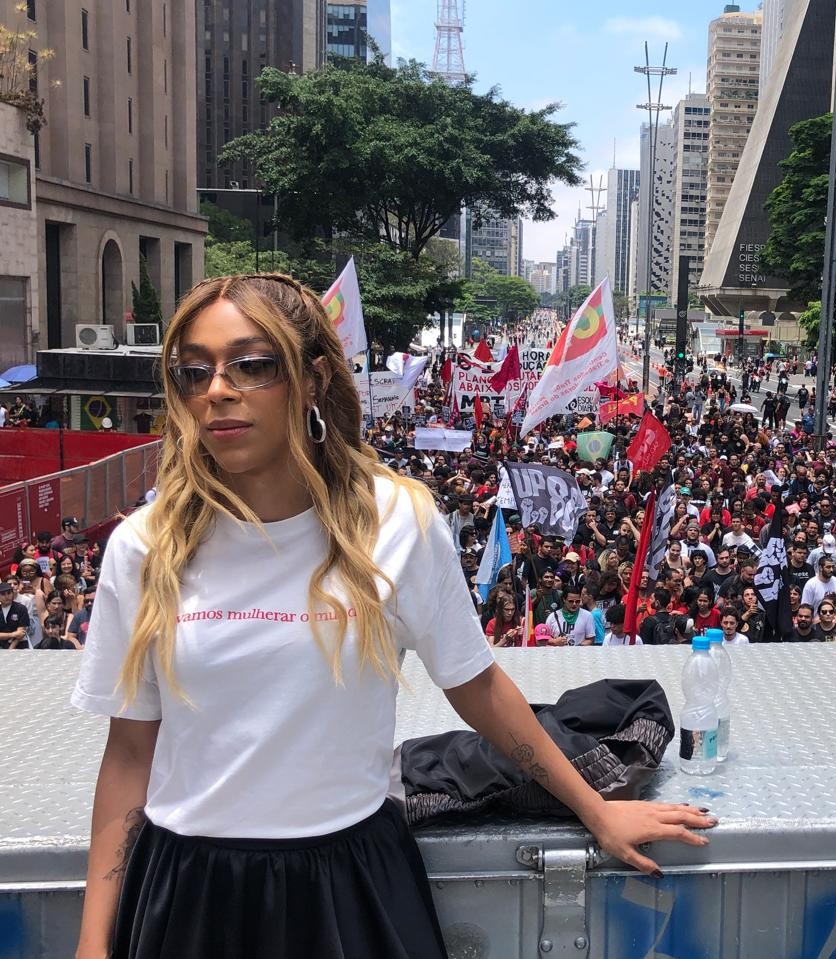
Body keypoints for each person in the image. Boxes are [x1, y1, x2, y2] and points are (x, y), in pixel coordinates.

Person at [69, 274, 715, 959]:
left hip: (352, 887)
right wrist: (92, 941)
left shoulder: (398, 522)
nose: (217, 389)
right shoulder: (146, 546)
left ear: (314, 377)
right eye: (194, 371)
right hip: (189, 897)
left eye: (252, 364)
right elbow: (130, 752)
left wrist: (595, 806)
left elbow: (479, 687)